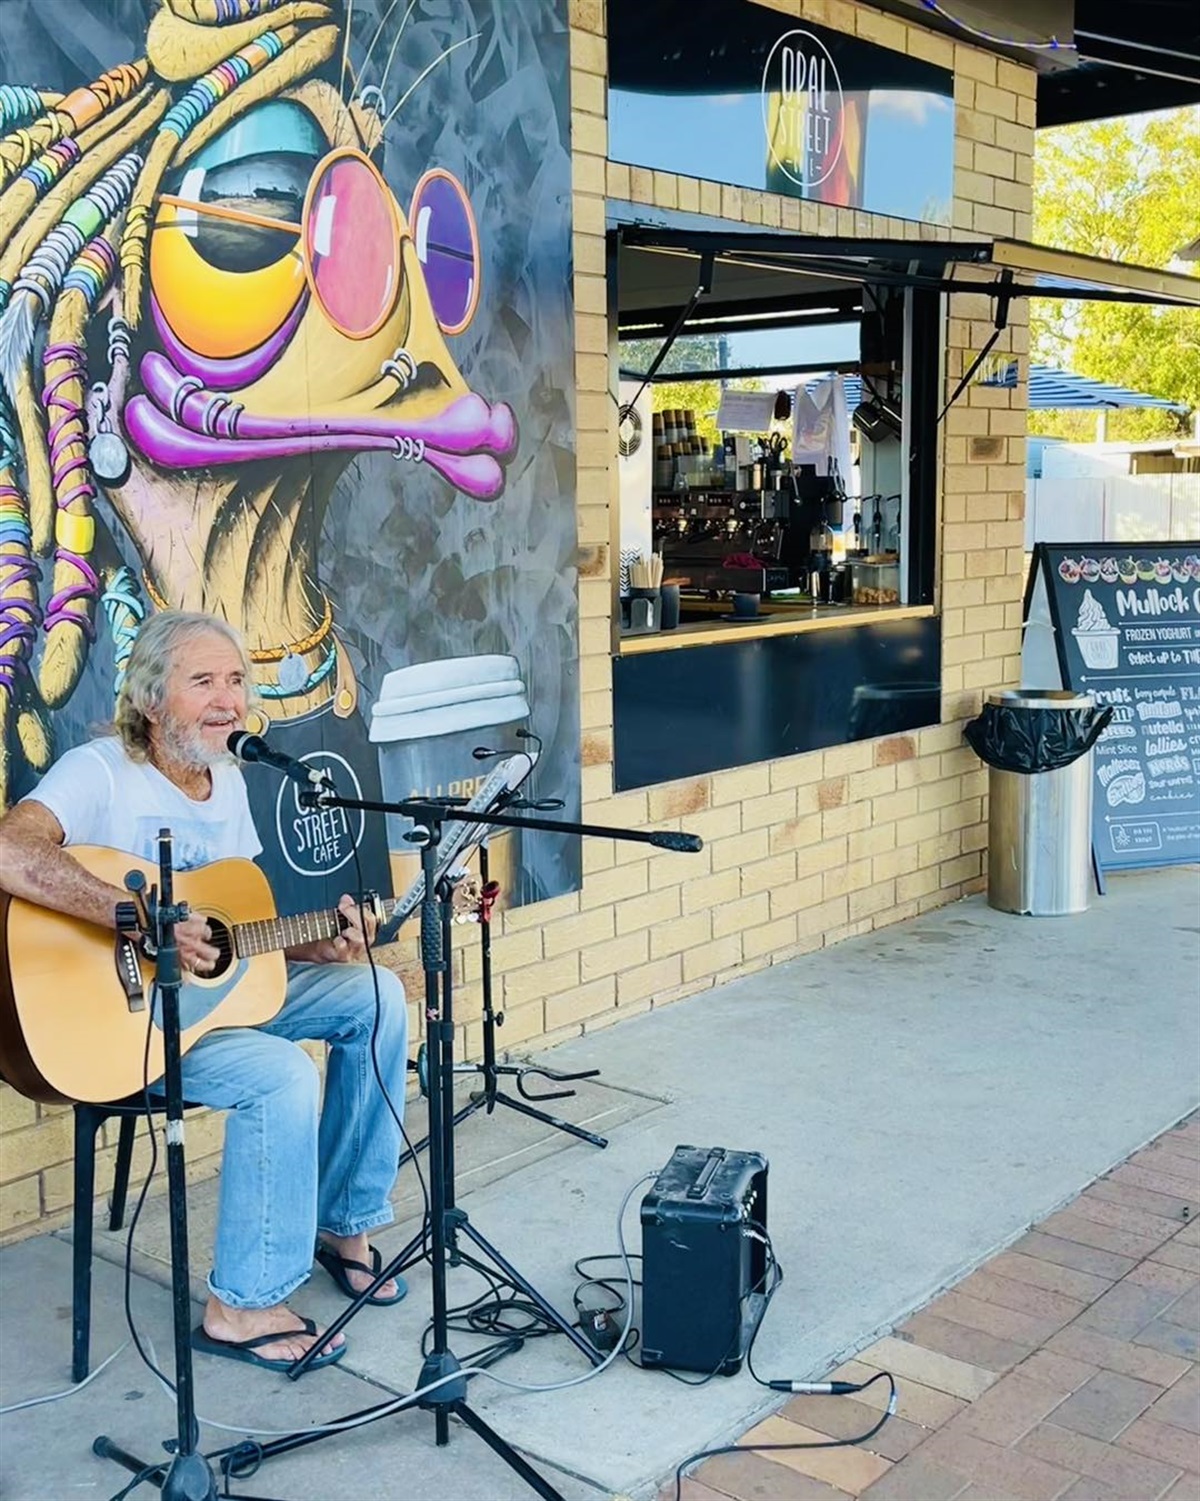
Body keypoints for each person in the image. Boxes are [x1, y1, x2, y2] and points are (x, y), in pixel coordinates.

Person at [0, 612, 410, 1371]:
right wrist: (136, 916)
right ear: (153, 698)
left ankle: (343, 1222)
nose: (229, 700)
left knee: (376, 994)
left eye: (236, 681)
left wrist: (316, 941)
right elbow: (8, 848)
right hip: (131, 1023)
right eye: (204, 681)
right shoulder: (99, 770)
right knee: (281, 1073)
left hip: (214, 1006)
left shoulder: (231, 778)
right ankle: (240, 1304)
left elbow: (237, 930)